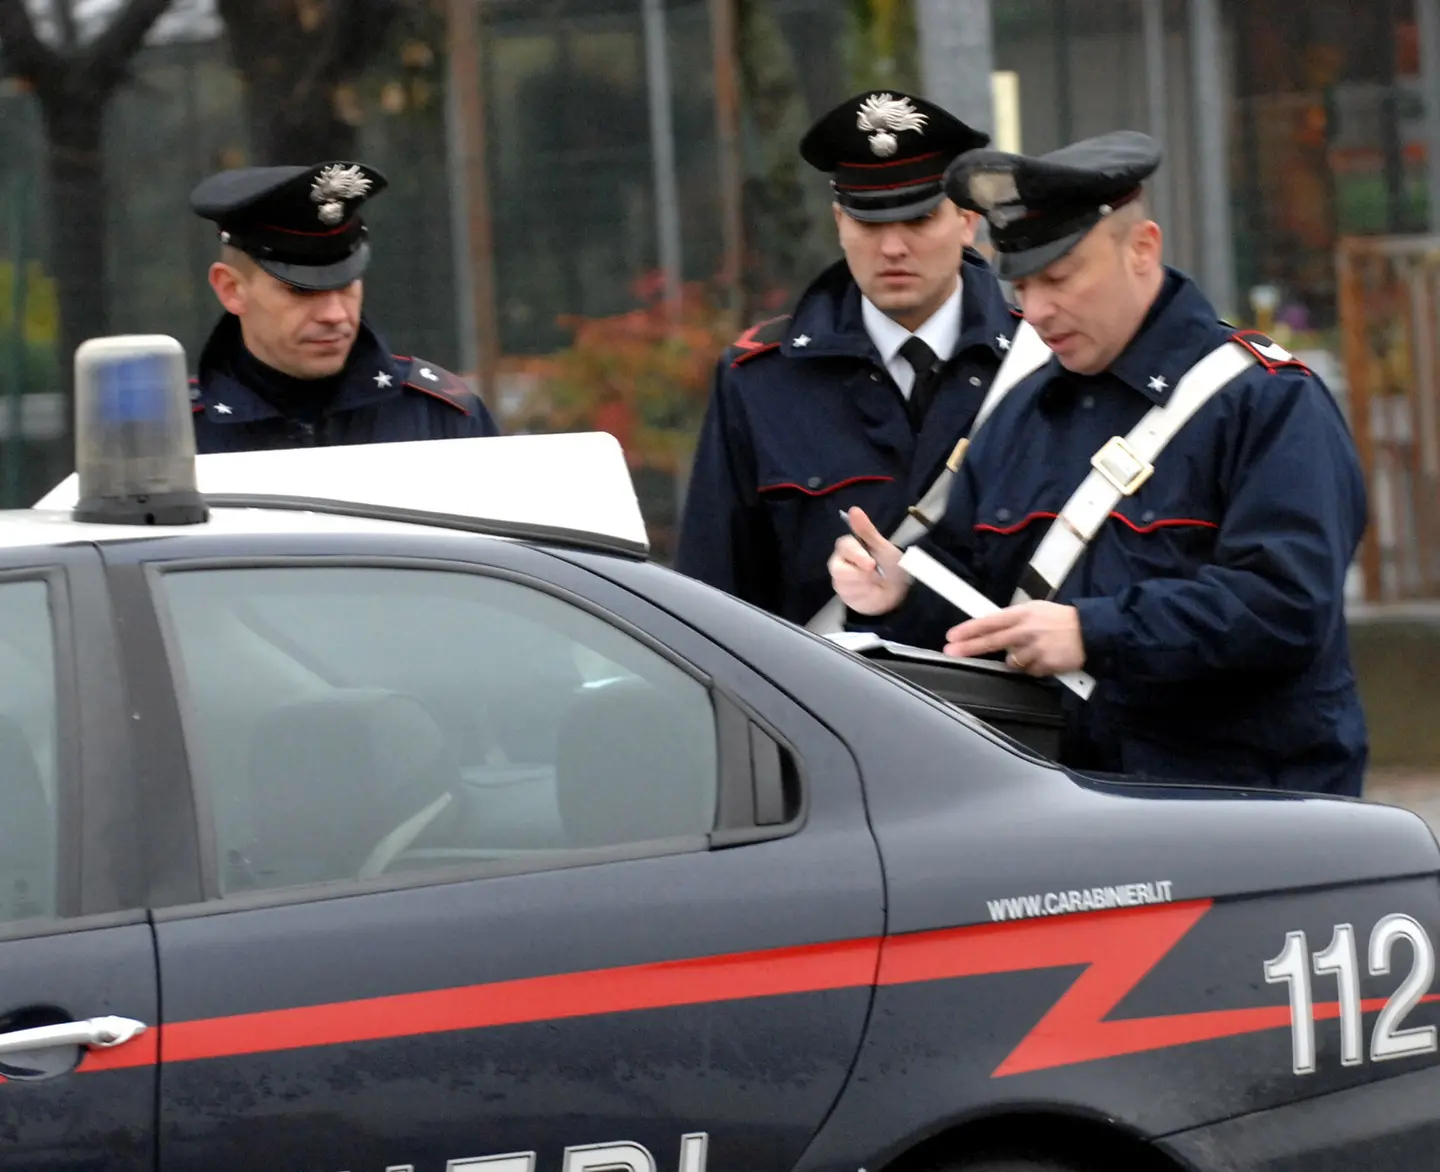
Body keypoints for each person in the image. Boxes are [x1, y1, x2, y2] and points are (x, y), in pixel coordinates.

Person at [828, 130, 1369, 797]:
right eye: (1023, 286)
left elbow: (1286, 606)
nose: (1037, 312)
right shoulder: (1022, 415)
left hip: (1245, 817)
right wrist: (901, 598)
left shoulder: (1267, 401)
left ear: (1142, 249)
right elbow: (974, 605)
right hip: (1075, 816)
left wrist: (1095, 630)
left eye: (1058, 277)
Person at [675, 90, 1023, 628]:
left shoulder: (1040, 366)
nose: (892, 248)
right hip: (821, 708)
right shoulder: (762, 380)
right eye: (870, 222)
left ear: (967, 220)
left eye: (918, 219)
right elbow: (715, 599)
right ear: (840, 221)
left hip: (1004, 706)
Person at [187, 161, 499, 452]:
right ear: (231, 289)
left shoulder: (441, 420)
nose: (335, 314)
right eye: (300, 291)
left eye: (347, 284)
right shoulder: (173, 436)